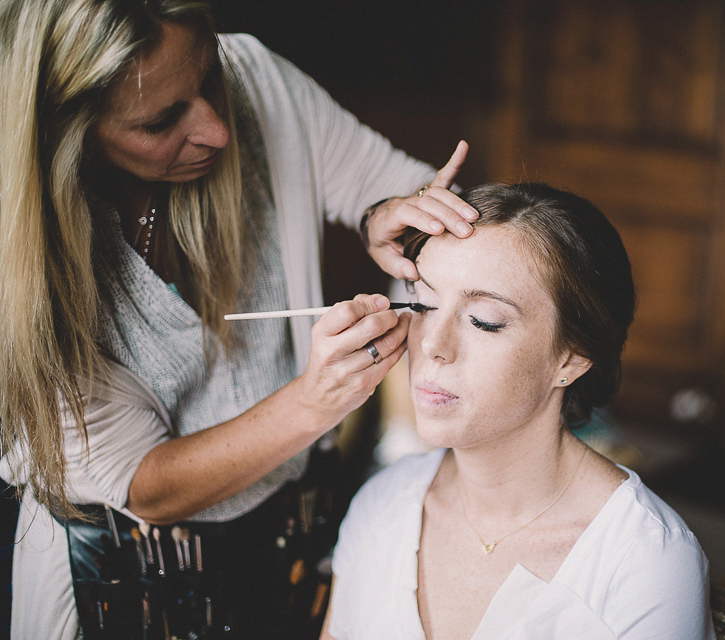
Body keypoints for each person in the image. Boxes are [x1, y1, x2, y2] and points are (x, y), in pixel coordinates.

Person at [0, 1, 478, 638]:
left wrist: (390, 215)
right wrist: (315, 401)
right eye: (162, 120)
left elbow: (397, 188)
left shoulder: (257, 79)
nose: (218, 129)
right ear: (66, 129)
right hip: (119, 586)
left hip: (287, 551)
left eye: (207, 77)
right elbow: (149, 488)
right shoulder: (22, 262)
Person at [321, 183, 717, 640]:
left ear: (570, 358)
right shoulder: (383, 503)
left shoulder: (645, 563)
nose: (432, 344)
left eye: (484, 320)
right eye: (423, 304)